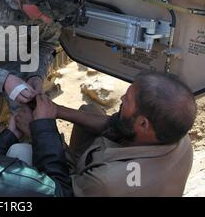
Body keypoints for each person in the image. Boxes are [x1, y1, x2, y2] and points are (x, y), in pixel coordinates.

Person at [15, 71, 197, 197]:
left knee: (20, 152)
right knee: (91, 109)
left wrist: (39, 131)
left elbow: (62, 190)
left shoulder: (107, 182)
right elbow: (116, 125)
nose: (122, 99)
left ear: (143, 123)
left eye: (127, 101)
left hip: (82, 188)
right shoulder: (177, 136)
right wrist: (57, 110)